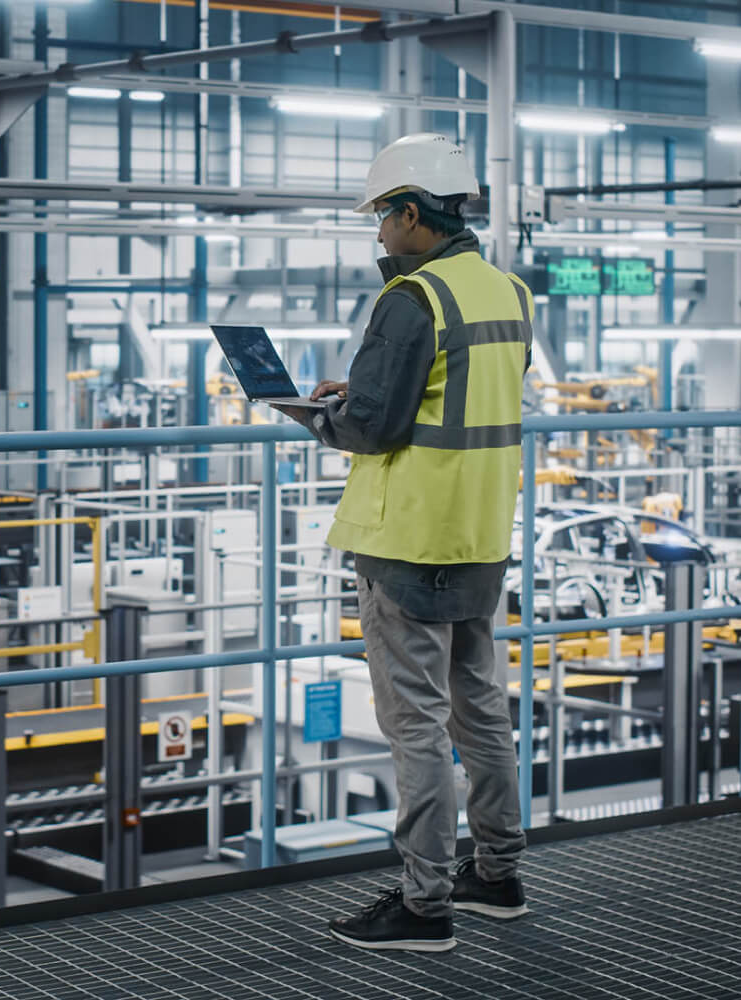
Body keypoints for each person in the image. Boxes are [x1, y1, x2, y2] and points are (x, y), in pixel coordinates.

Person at [274, 133, 531, 953]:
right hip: (481, 531)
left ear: (415, 214)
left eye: (383, 216)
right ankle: (497, 875)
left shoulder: (410, 299)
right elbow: (458, 390)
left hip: (409, 537)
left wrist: (320, 415)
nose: (379, 232)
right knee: (481, 709)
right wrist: (373, 384)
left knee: (415, 725)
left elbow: (374, 427)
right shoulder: (507, 292)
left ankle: (424, 907)